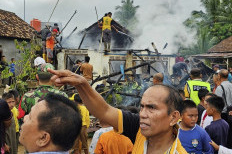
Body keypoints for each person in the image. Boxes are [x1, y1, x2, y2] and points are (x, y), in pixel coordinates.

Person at [48, 69, 188, 154]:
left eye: (152, 108)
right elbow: (104, 111)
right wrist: (82, 84)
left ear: (173, 117)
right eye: (142, 106)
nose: (143, 114)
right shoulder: (139, 130)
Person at [215, 69, 232, 148]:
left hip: (224, 114)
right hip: (231, 113)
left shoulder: (220, 88)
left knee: (224, 135)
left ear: (219, 76)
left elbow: (217, 103)